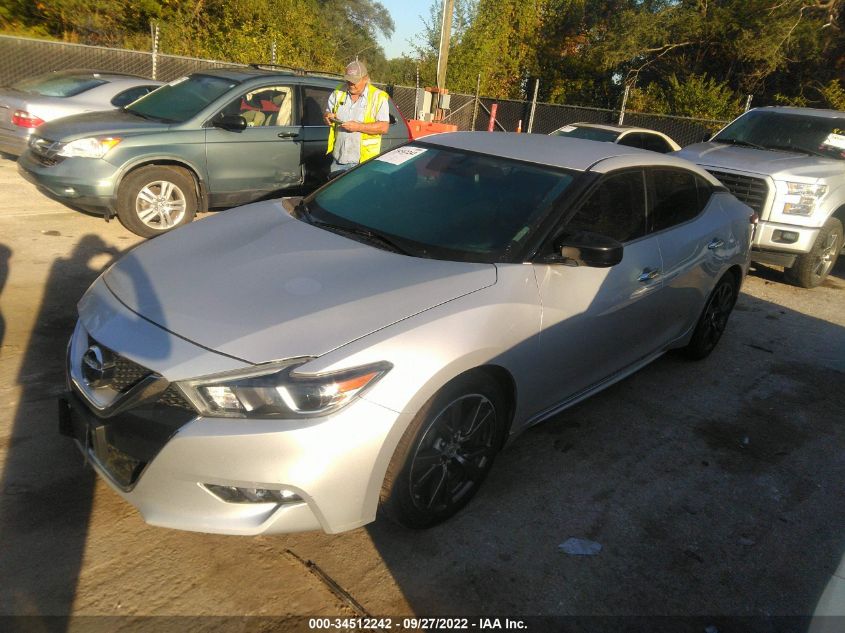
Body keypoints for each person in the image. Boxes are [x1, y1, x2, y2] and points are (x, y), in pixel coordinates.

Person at [324, 60, 390, 174]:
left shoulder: (378, 97)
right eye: (348, 81)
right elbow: (327, 113)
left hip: (363, 163)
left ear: (365, 79)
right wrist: (327, 116)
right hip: (338, 159)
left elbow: (384, 127)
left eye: (354, 81)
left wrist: (358, 127)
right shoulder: (338, 92)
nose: (351, 84)